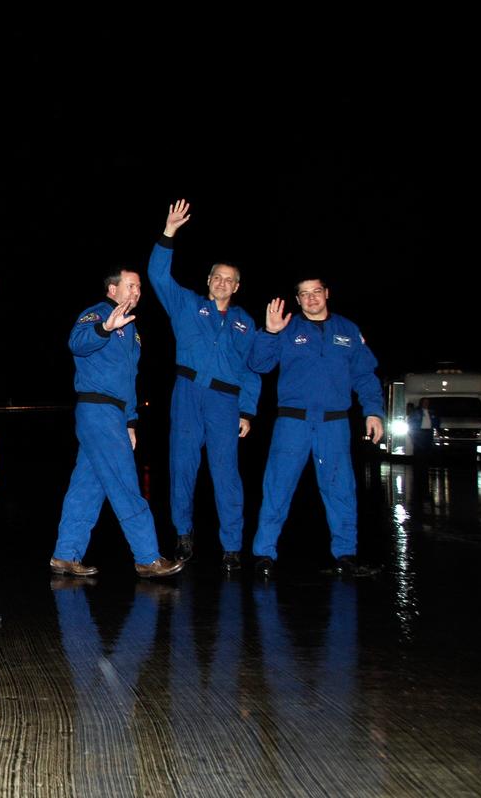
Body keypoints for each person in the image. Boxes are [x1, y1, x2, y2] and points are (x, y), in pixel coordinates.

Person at [147, 199, 261, 570]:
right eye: (217, 277)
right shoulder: (187, 305)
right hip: (188, 393)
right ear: (209, 280)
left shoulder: (245, 323)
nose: (222, 283)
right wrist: (169, 233)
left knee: (226, 471)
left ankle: (231, 546)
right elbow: (158, 276)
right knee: (182, 464)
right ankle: (183, 534)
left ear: (237, 286)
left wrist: (247, 409)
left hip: (226, 401)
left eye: (230, 279)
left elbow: (251, 370)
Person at [50, 267, 184, 579]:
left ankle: (65, 554)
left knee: (87, 486)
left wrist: (131, 421)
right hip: (97, 410)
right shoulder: (97, 314)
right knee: (125, 482)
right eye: (131, 286)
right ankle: (148, 557)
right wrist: (104, 328)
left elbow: (128, 379)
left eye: (139, 288)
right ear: (112, 290)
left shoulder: (132, 329)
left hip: (114, 414)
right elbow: (77, 343)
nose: (137, 292)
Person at [248, 278, 384, 577]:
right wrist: (270, 332)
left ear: (327, 294)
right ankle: (264, 554)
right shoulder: (287, 329)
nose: (311, 299)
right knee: (277, 488)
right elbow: (259, 364)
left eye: (316, 292)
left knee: (340, 490)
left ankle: (346, 555)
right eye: (304, 294)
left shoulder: (348, 330)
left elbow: (365, 374)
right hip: (292, 422)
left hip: (334, 423)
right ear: (297, 300)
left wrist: (373, 412)